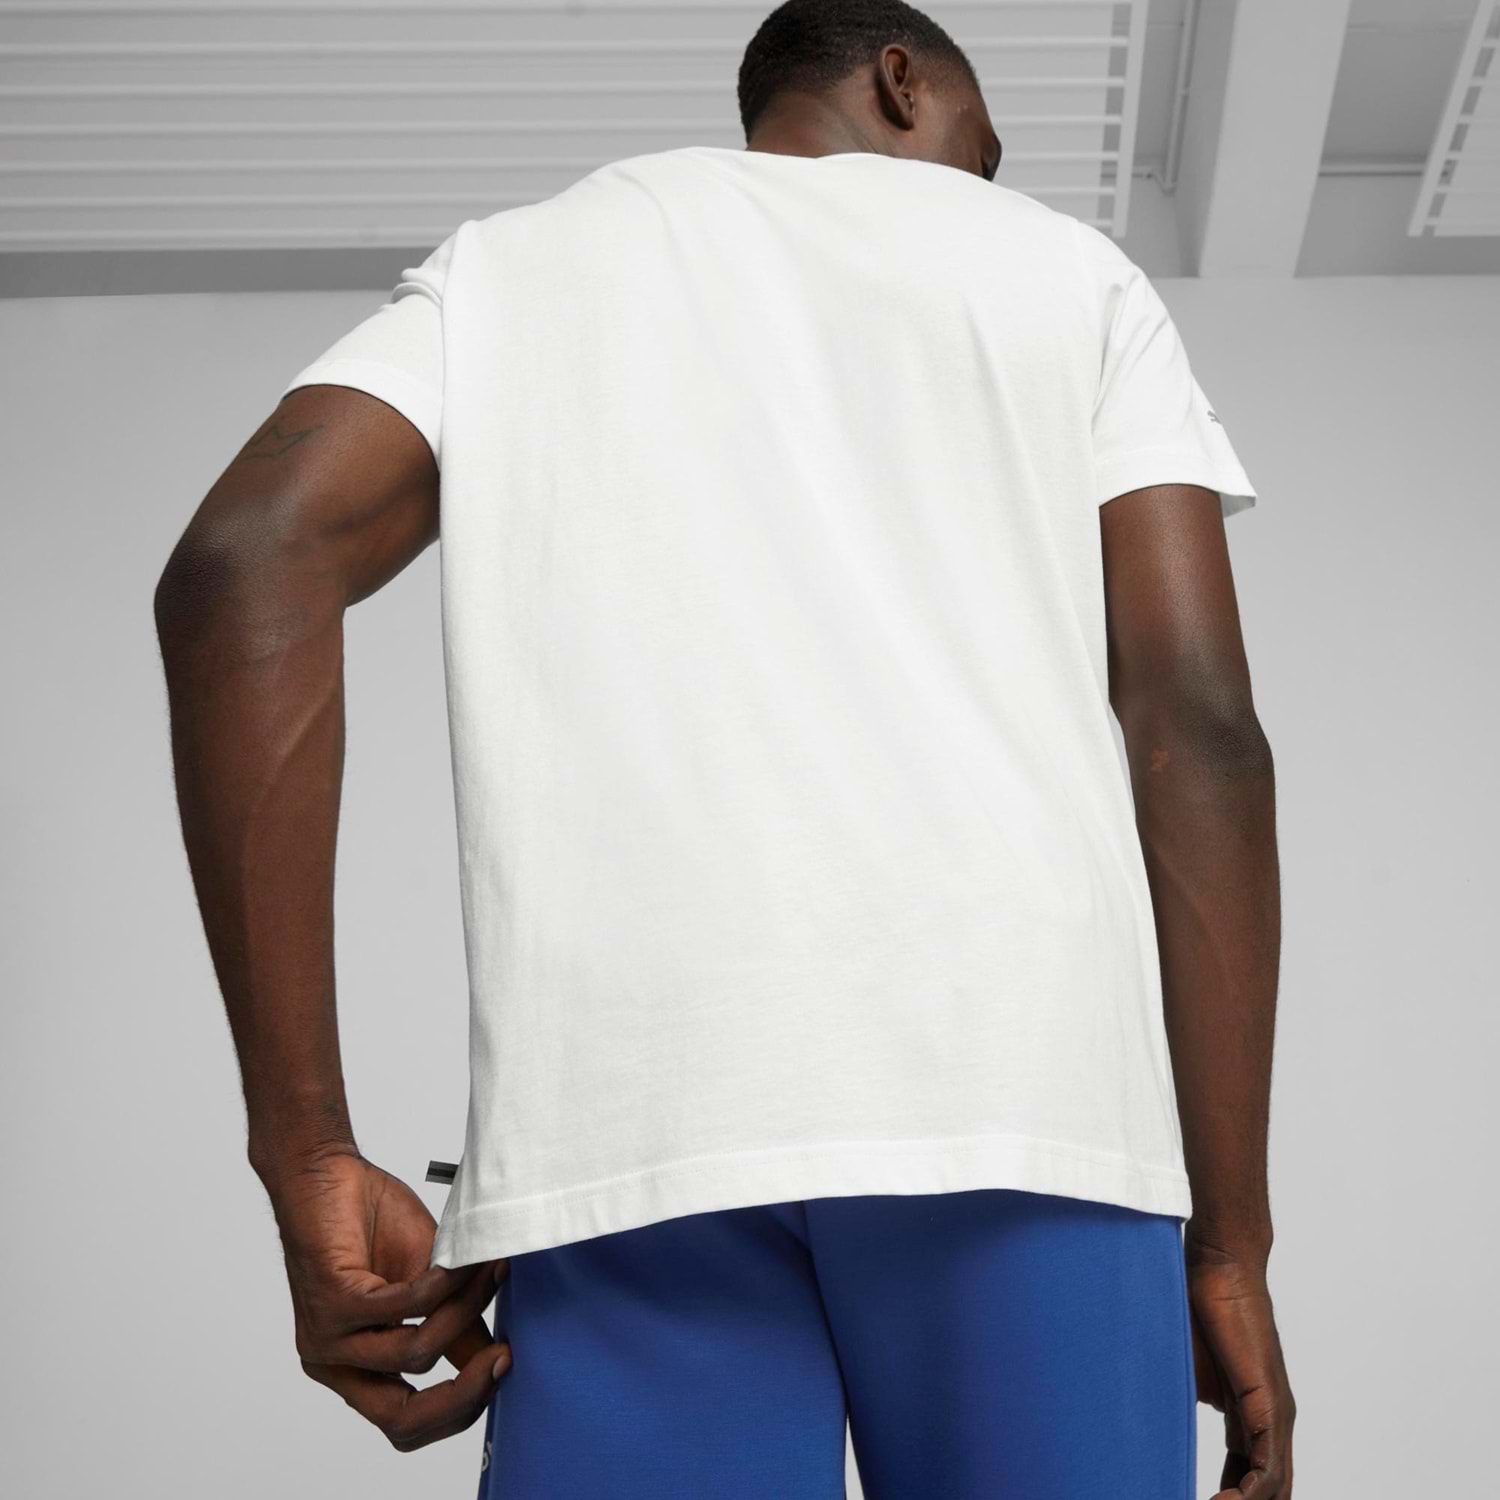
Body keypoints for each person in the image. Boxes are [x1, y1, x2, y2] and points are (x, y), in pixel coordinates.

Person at [154, 1, 1294, 1495]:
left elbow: (243, 561)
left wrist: (304, 1151)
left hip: (631, 1132)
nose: (984, 188)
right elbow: (1199, 731)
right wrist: (1229, 1242)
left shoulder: (515, 270)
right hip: (1023, 1108)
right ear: (902, 81)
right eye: (986, 151)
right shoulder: (1071, 275)